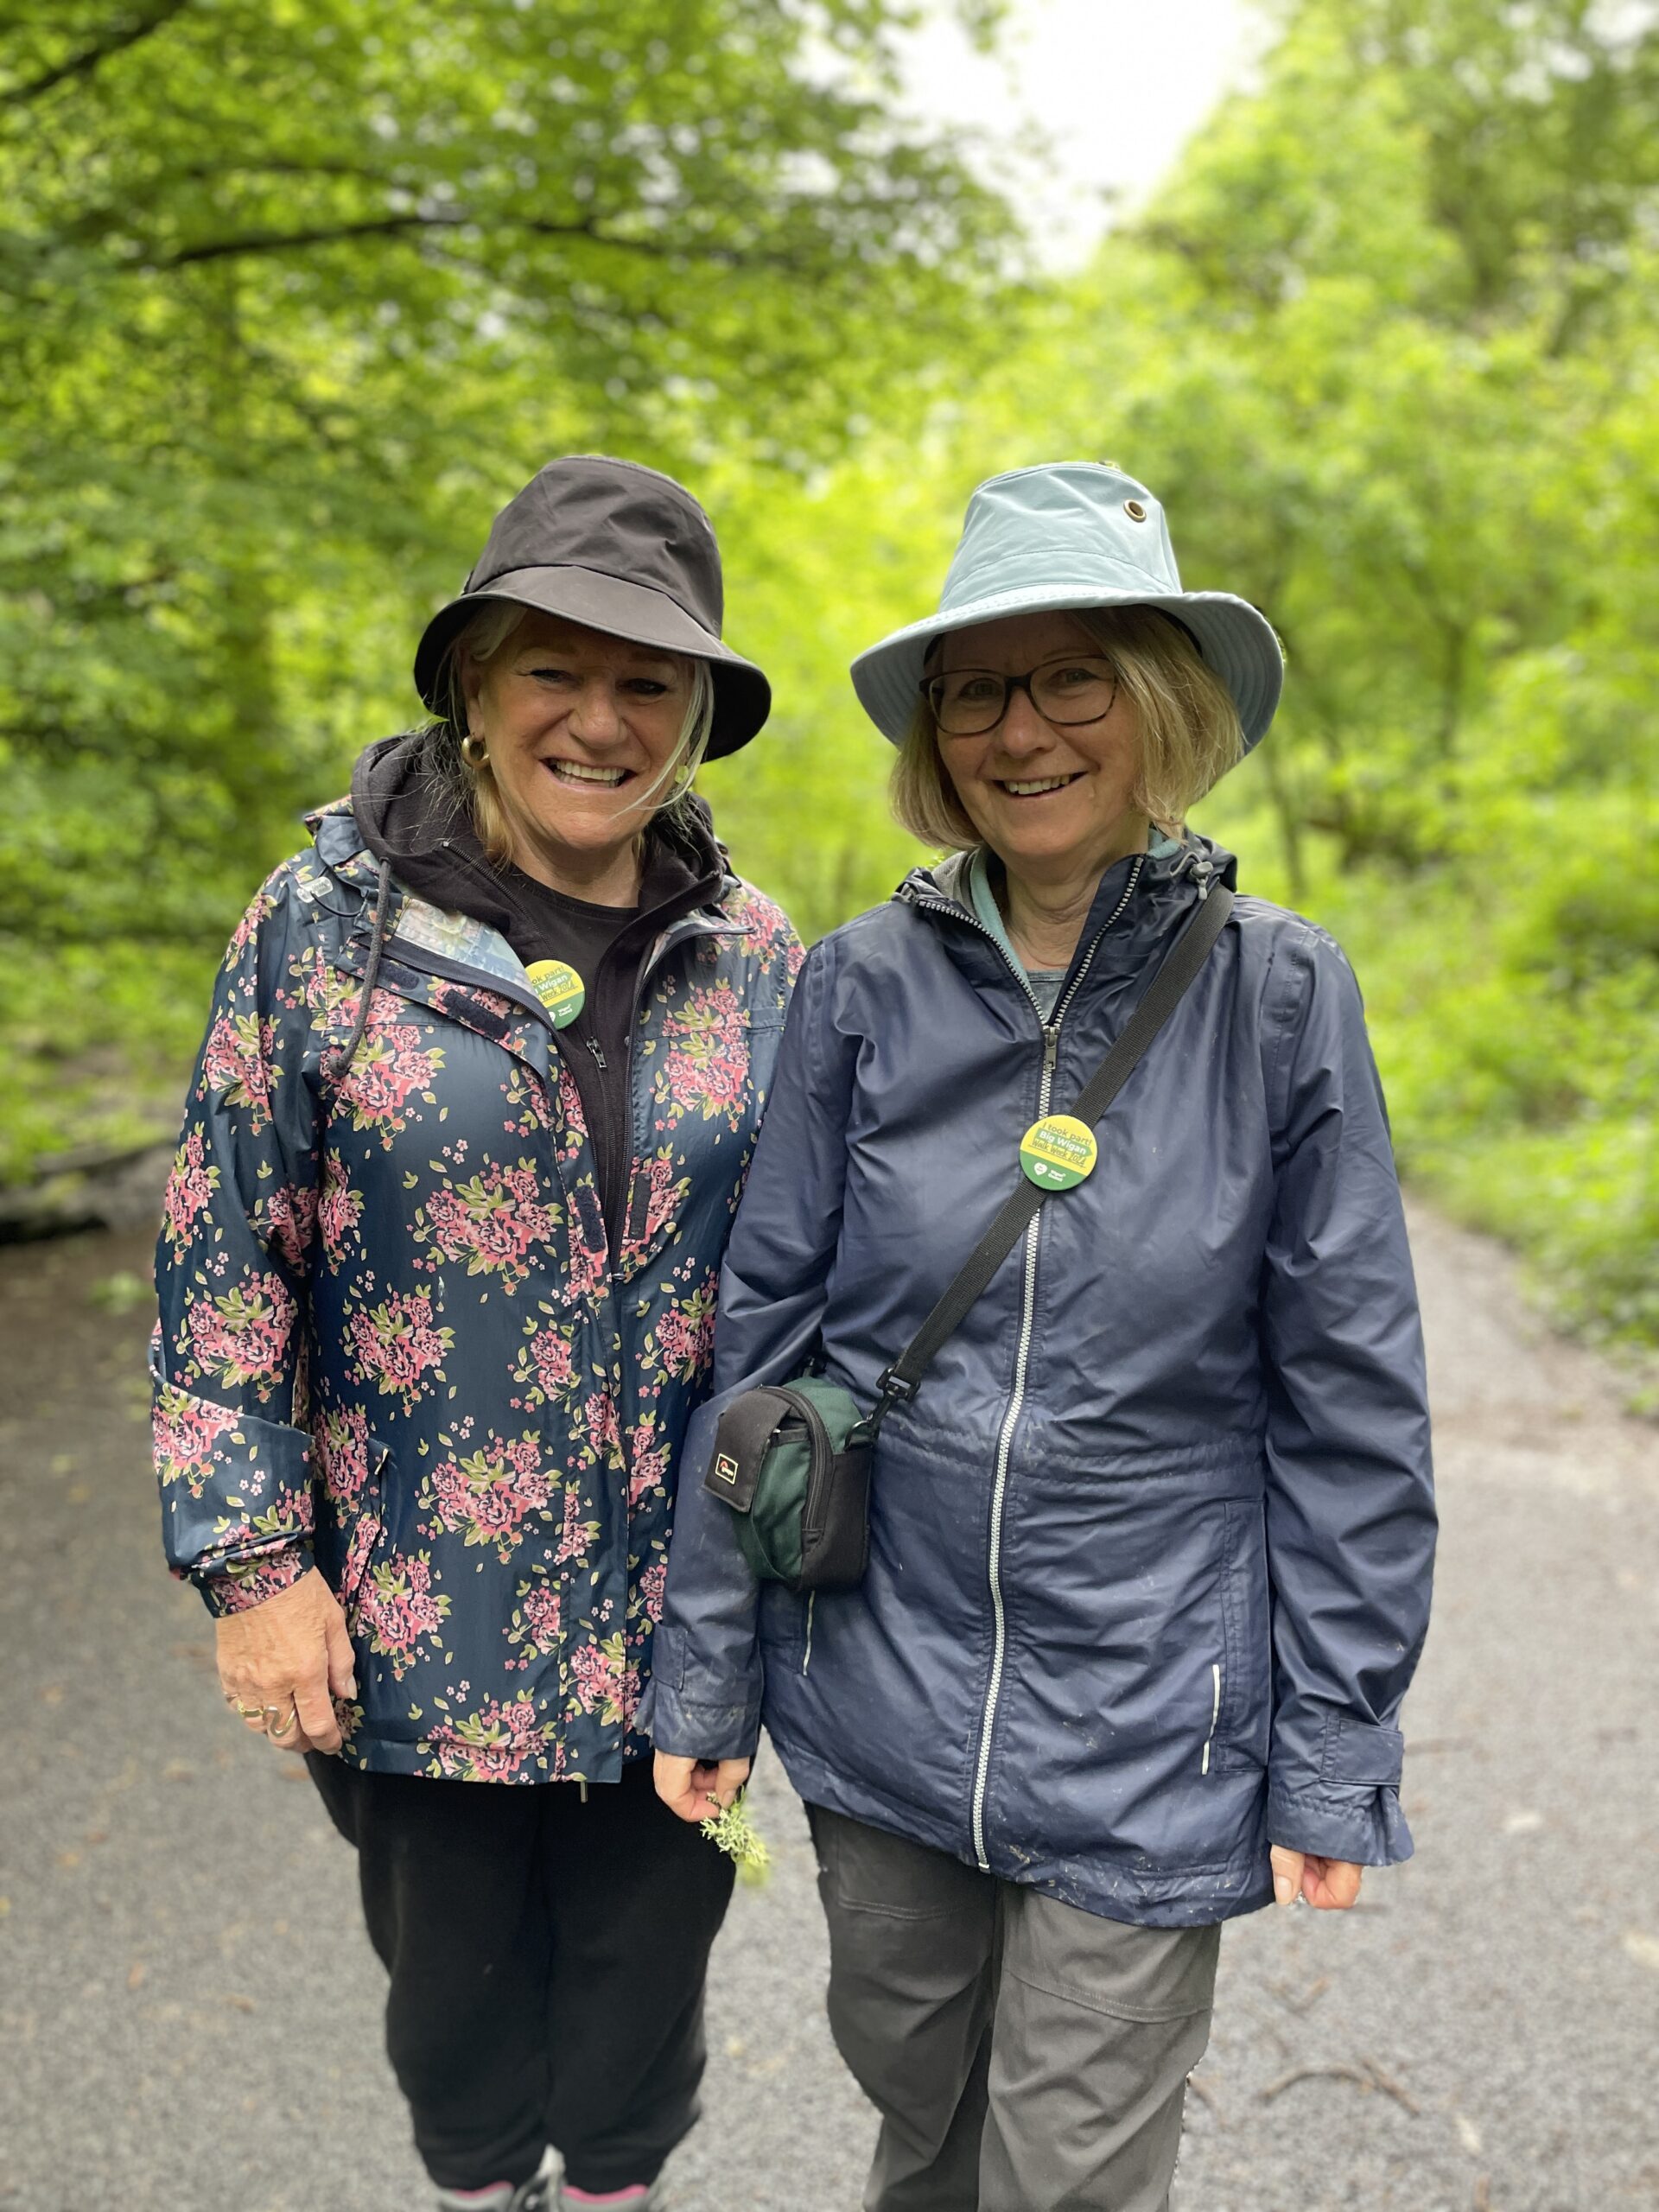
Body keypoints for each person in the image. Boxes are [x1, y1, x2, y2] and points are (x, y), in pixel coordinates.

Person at [650, 462, 1437, 2211]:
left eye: (1072, 676)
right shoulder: (859, 984)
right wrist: (707, 1662)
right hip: (880, 1683)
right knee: (921, 2126)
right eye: (981, 688)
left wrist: (1332, 1737)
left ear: (1157, 701)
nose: (1025, 730)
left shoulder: (1282, 995)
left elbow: (1352, 1400)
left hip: (1159, 1705)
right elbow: (762, 1344)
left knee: (1065, 2172)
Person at [150, 455, 801, 2212]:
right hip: (404, 1615)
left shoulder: (754, 954)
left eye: (646, 679)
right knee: (454, 2023)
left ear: (694, 714)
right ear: (474, 681)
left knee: (642, 2007)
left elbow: (803, 1282)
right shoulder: (326, 926)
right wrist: (254, 1561)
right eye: (554, 668)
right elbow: (224, 1252)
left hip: (678, 1613)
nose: (599, 716)